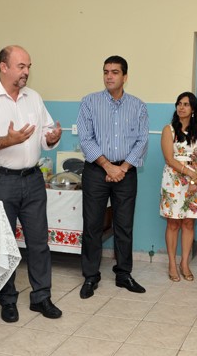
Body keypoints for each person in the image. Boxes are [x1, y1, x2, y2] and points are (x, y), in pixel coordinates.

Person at [0, 45, 63, 322]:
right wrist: (6, 141)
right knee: (4, 243)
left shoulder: (34, 97)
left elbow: (44, 134)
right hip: (0, 181)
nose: (26, 72)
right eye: (21, 66)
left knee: (38, 242)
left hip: (33, 179)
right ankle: (8, 300)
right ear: (3, 66)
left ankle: (42, 297)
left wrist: (52, 138)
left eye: (29, 67)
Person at [77, 55, 149, 299]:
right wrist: (108, 166)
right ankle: (90, 276)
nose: (109, 76)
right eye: (106, 71)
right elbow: (86, 139)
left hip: (126, 173)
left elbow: (142, 140)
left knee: (124, 225)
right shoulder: (89, 102)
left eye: (115, 72)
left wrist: (123, 168)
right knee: (93, 225)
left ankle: (123, 274)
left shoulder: (138, 106)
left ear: (125, 77)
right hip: (97, 171)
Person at [160, 92, 197, 282]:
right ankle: (172, 263)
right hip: (173, 180)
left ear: (193, 109)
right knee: (173, 223)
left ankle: (184, 263)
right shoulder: (168, 130)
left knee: (188, 222)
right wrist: (190, 174)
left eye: (186, 104)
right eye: (179, 104)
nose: (181, 107)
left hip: (194, 182)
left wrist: (195, 181)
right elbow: (169, 158)